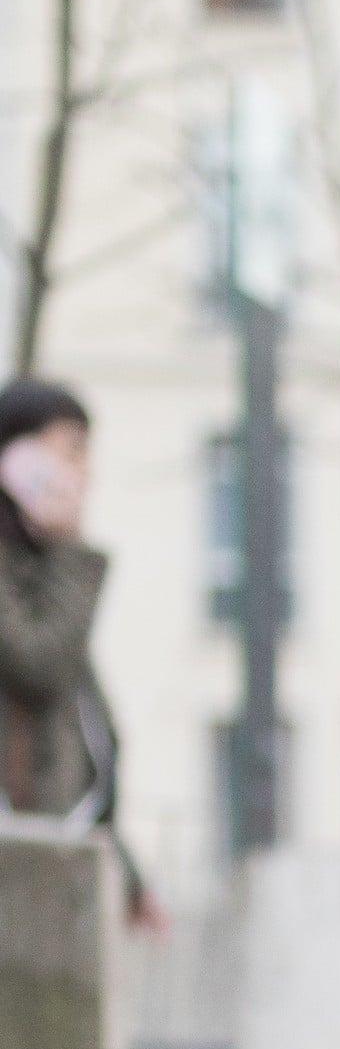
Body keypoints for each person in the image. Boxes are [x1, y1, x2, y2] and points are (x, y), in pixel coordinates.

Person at [0, 376, 159, 926]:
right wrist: (71, 550)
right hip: (21, 861)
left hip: (53, 855)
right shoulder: (33, 574)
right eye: (71, 450)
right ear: (16, 459)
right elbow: (39, 667)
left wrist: (128, 876)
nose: (85, 471)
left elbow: (86, 738)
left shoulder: (42, 575)